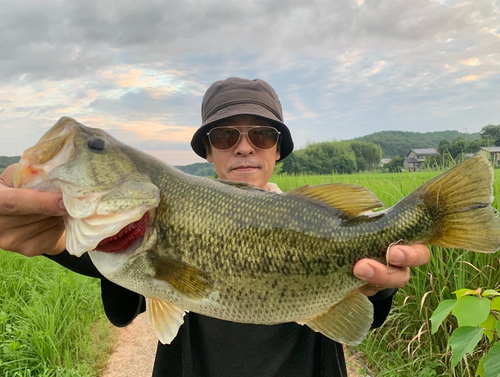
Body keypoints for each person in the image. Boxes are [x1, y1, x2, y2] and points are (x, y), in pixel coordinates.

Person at [0, 77, 430, 377]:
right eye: (225, 136)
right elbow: (104, 268)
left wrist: (382, 278)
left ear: (277, 149)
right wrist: (53, 238)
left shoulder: (310, 214)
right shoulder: (148, 220)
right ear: (208, 151)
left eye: (261, 135)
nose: (244, 146)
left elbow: (365, 315)